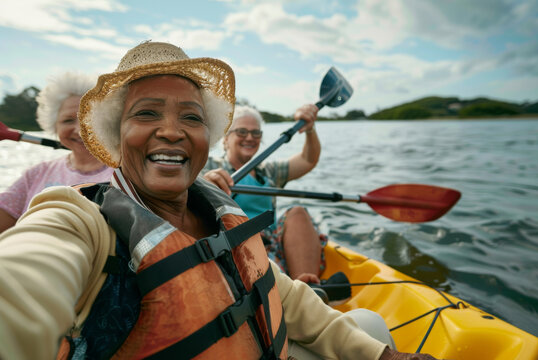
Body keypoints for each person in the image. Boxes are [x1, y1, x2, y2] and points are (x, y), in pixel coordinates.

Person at [0, 41, 439, 360]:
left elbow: (280, 291)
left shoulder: (216, 215)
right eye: (147, 112)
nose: (172, 130)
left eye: (190, 117)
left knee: (371, 328)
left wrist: (383, 356)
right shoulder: (76, 216)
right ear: (115, 139)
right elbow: (24, 280)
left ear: (205, 139)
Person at [203, 105, 326, 284]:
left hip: (270, 242)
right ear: (226, 139)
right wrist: (205, 183)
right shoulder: (207, 167)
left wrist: (310, 129)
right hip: (233, 244)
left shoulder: (268, 171)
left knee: (297, 213)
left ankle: (307, 285)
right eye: (242, 132)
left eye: (256, 133)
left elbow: (308, 160)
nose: (250, 138)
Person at [0, 72, 113, 233]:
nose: (80, 131)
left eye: (90, 119)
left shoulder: (131, 173)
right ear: (55, 126)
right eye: (68, 120)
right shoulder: (35, 174)